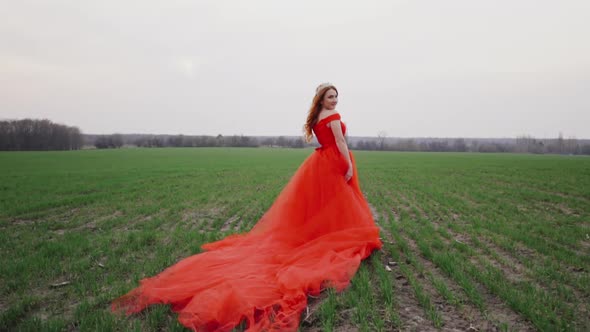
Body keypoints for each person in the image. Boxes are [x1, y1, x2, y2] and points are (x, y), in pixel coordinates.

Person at [112, 83, 382, 331]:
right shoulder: (333, 118)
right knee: (338, 202)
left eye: (336, 96)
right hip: (334, 162)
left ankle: (322, 234)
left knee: (324, 205)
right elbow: (342, 143)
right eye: (330, 96)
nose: (335, 100)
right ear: (322, 99)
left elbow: (322, 141)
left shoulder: (318, 118)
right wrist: (347, 167)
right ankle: (332, 236)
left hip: (319, 163)